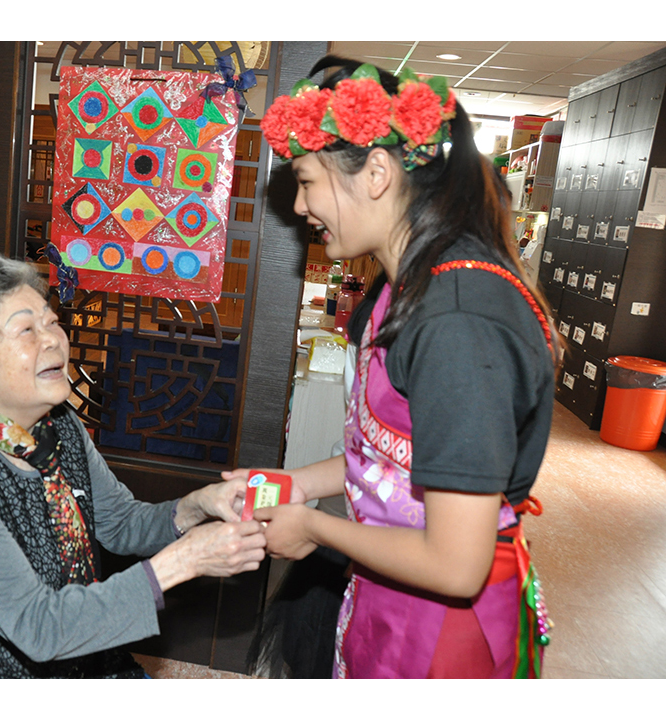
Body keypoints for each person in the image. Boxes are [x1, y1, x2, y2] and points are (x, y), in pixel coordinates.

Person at [225, 56, 558, 679]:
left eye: (306, 181)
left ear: (377, 172)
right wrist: (296, 483)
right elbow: (393, 455)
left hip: (442, 633)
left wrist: (317, 531)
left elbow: (457, 563)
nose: (299, 206)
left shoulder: (461, 321)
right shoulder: (401, 288)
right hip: (392, 594)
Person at [0, 255, 266, 678]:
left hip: (76, 653)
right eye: (26, 330)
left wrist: (199, 505)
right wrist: (184, 562)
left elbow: (119, 522)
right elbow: (38, 627)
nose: (54, 341)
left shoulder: (57, 426)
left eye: (51, 322)